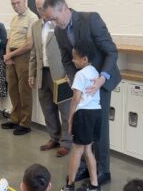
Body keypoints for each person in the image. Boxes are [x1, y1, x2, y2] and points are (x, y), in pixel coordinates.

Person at [43, 0, 121, 185]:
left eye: (54, 18)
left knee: (98, 128)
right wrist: (73, 79)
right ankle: (86, 167)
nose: (53, 24)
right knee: (83, 127)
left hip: (101, 81)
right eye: (49, 20)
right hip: (83, 84)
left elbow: (111, 51)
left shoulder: (91, 20)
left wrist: (102, 78)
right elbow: (66, 59)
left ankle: (103, 171)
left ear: (65, 10)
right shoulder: (60, 31)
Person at [28, 0, 72, 157]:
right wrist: (32, 72)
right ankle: (54, 137)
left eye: (43, 7)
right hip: (42, 72)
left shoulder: (60, 24)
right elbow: (34, 51)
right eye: (38, 8)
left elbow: (70, 50)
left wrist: (70, 74)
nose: (41, 11)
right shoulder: (35, 26)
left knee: (65, 110)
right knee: (47, 108)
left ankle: (67, 142)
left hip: (61, 74)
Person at [62, 42, 101, 191]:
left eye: (75, 58)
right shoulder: (95, 71)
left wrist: (71, 118)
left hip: (83, 114)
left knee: (77, 150)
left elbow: (76, 99)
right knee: (88, 150)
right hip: (95, 112)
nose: (72, 60)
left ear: (84, 59)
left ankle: (69, 185)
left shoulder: (79, 74)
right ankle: (94, 185)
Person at [1, 0, 38, 135]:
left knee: (24, 91)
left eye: (18, 2)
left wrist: (11, 54)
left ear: (24, 1)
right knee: (13, 89)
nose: (16, 6)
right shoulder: (14, 19)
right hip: (11, 56)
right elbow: (10, 39)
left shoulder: (32, 18)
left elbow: (29, 44)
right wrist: (7, 55)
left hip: (23, 56)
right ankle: (15, 118)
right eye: (13, 3)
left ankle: (25, 123)